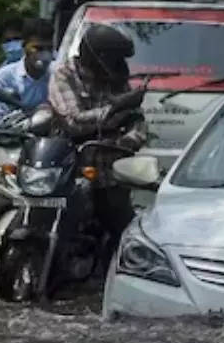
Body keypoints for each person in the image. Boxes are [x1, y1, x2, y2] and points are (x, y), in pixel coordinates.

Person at [47, 23, 148, 260]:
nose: (118, 64)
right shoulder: (65, 75)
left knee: (123, 230)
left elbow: (138, 122)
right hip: (68, 167)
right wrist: (116, 109)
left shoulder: (117, 79)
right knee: (53, 220)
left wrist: (128, 140)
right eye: (113, 58)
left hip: (108, 167)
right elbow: (72, 121)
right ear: (97, 56)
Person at [0, 19, 54, 119]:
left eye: (49, 49)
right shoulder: (4, 77)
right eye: (38, 48)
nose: (45, 54)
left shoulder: (58, 74)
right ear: (24, 46)